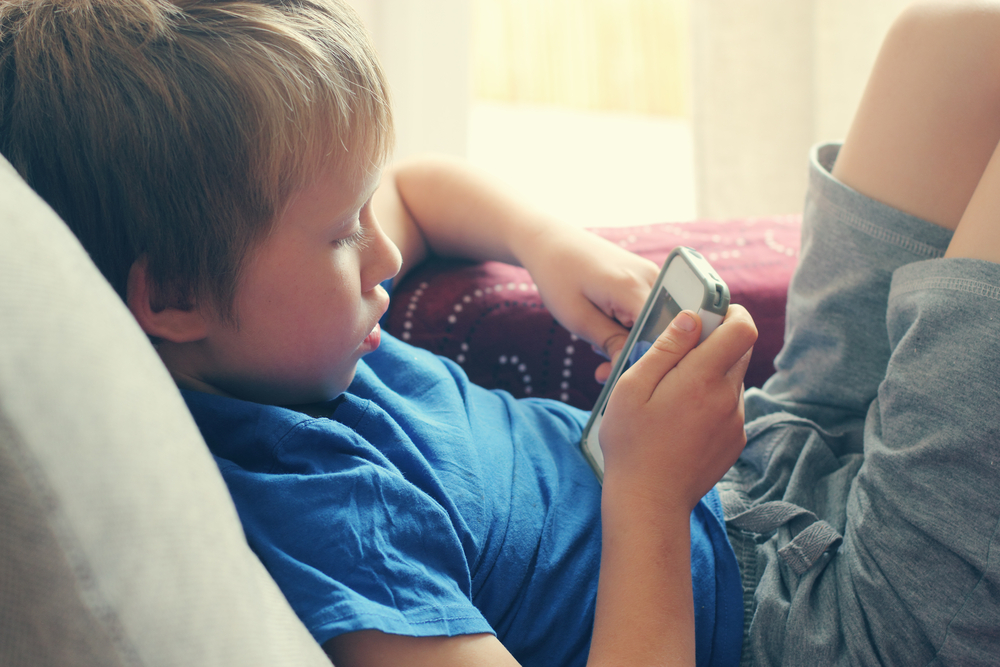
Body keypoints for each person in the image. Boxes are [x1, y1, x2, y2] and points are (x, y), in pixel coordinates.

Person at [1, 1, 998, 666]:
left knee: (949, 43)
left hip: (767, 476)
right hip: (829, 630)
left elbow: (420, 191)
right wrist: (648, 497)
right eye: (344, 233)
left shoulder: (277, 336)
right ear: (171, 296)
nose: (388, 252)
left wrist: (546, 244)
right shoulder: (331, 536)